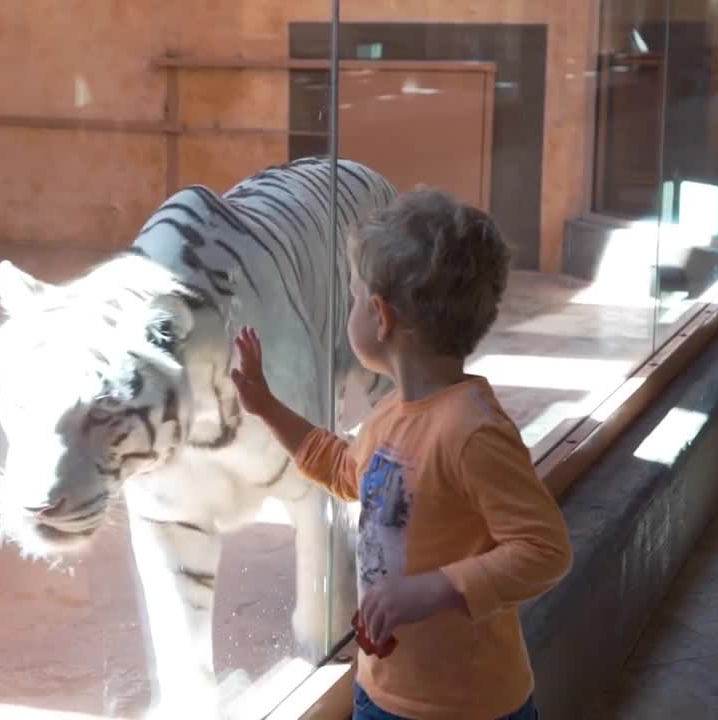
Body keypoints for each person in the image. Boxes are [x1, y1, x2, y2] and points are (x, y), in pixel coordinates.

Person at [229, 188, 573, 720]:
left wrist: (435, 590)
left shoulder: (473, 431)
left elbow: (544, 549)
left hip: (469, 705)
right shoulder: (393, 414)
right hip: (384, 689)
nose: (348, 310)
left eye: (351, 297)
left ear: (380, 316)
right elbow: (347, 472)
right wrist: (267, 406)